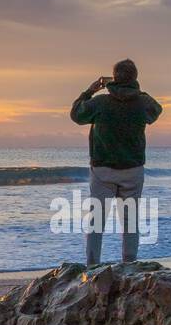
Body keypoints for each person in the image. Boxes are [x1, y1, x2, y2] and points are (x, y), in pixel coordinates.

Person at [69, 59, 163, 265]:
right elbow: (157, 110)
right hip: (133, 169)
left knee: (96, 222)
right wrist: (139, 92)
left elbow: (75, 114)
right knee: (130, 222)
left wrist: (89, 91)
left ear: (114, 78)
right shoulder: (142, 102)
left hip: (103, 169)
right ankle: (129, 264)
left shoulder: (100, 103)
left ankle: (92, 265)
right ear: (135, 78)